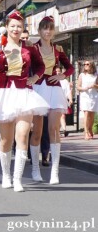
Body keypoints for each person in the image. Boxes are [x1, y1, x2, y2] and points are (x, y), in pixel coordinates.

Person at [0, 10, 49, 192]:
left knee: (22, 136)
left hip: (24, 94)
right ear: (7, 28)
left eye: (19, 26)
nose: (16, 29)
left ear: (23, 28)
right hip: (3, 95)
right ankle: (6, 175)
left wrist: (35, 78)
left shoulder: (29, 48)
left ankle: (18, 179)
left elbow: (41, 66)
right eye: (13, 26)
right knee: (5, 140)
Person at [30, 16, 74, 184]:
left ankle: (55, 172)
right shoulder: (32, 48)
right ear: (40, 30)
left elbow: (69, 68)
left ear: (53, 31)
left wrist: (62, 75)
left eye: (50, 28)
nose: (47, 31)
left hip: (54, 89)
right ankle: (35, 168)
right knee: (37, 132)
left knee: (54, 129)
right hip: (38, 89)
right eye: (44, 28)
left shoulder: (58, 49)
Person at [77, 61, 97, 140]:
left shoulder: (96, 75)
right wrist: (84, 88)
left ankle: (90, 129)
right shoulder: (82, 75)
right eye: (84, 64)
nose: (85, 65)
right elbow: (78, 87)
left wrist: (94, 85)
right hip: (85, 96)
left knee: (91, 115)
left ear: (91, 65)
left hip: (94, 96)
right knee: (86, 113)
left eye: (87, 64)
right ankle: (85, 132)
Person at [57, 67, 73, 136]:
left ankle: (64, 130)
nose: (58, 72)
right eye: (56, 71)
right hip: (55, 101)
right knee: (56, 116)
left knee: (63, 116)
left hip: (63, 100)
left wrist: (71, 99)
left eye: (59, 71)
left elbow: (68, 91)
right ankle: (57, 131)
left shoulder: (65, 81)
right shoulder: (51, 81)